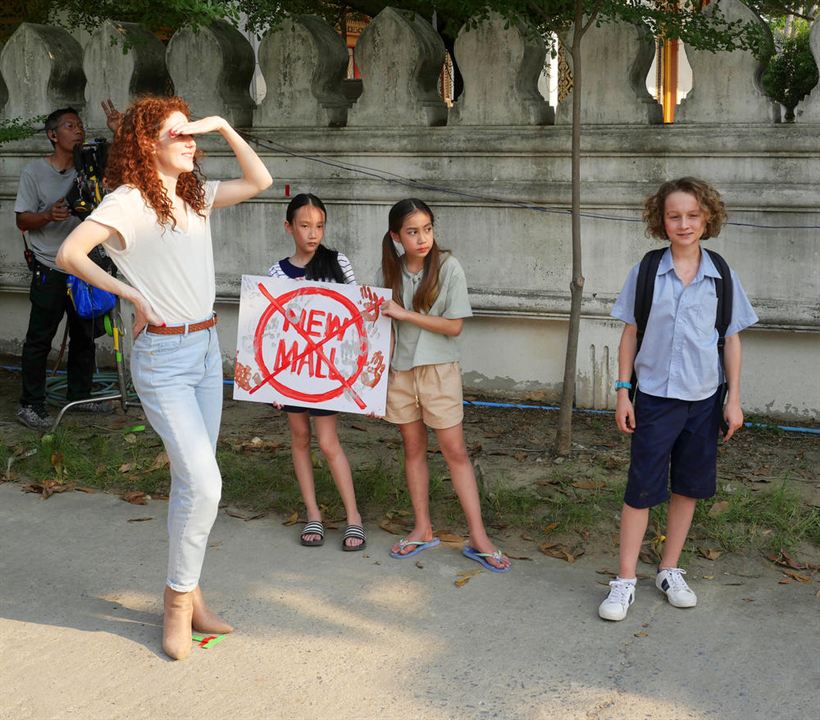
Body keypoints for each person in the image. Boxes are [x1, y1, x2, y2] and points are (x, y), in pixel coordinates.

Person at [56, 96, 273, 659]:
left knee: (190, 482)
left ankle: (193, 593)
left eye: (192, 134)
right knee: (206, 484)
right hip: (163, 358)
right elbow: (70, 253)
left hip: (204, 351)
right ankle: (177, 602)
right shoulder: (129, 201)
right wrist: (130, 294)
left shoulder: (194, 196)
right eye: (179, 134)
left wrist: (223, 124)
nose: (191, 142)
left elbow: (261, 178)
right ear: (146, 144)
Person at [598, 177, 758, 622]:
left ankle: (669, 568)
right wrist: (622, 392)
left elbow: (730, 340)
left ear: (707, 217)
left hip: (704, 400)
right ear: (661, 220)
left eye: (692, 215)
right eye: (674, 216)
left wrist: (734, 400)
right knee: (642, 488)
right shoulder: (647, 271)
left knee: (687, 486)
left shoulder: (721, 274)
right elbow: (630, 334)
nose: (683, 223)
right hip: (653, 399)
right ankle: (625, 578)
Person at [379, 198, 511, 572]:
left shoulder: (449, 267)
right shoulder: (391, 270)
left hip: (439, 370)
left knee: (455, 451)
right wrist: (378, 377)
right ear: (396, 236)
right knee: (412, 449)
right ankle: (422, 528)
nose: (422, 238)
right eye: (412, 232)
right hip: (400, 371)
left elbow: (454, 325)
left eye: (427, 229)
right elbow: (385, 326)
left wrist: (406, 314)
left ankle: (479, 537)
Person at [267, 193, 365, 551]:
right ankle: (313, 514)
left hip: (327, 372)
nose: (313, 233)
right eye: (305, 226)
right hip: (292, 369)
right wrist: (273, 385)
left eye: (319, 226)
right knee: (298, 438)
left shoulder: (337, 262)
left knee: (327, 441)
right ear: (288, 227)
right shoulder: (277, 272)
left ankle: (353, 516)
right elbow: (272, 330)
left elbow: (357, 315)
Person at [14, 106, 112, 429]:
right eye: (70, 126)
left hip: (83, 267)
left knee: (85, 335)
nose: (78, 130)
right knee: (40, 338)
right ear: (53, 135)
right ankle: (31, 404)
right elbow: (22, 219)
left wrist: (117, 130)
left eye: (80, 125)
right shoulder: (33, 173)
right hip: (49, 266)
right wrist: (47, 215)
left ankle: (80, 396)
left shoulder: (90, 168)